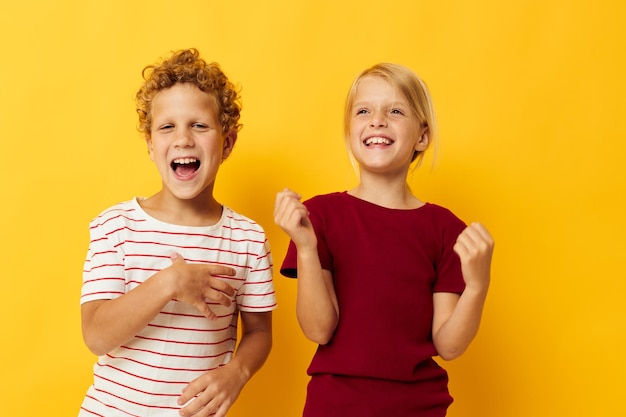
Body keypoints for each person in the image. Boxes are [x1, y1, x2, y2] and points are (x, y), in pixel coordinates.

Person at [274, 63, 494, 417]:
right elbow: (319, 329)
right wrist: (306, 247)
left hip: (419, 407)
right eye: (364, 111)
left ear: (421, 137)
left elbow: (448, 345)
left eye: (395, 110)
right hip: (334, 406)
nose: (377, 120)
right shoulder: (317, 217)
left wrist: (478, 285)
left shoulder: (446, 229)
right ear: (350, 133)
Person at [79, 48, 276, 417]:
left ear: (227, 142)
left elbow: (260, 332)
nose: (183, 139)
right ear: (152, 146)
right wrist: (169, 283)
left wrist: (238, 371)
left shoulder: (247, 238)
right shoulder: (115, 227)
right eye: (167, 126)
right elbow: (96, 335)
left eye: (199, 125)